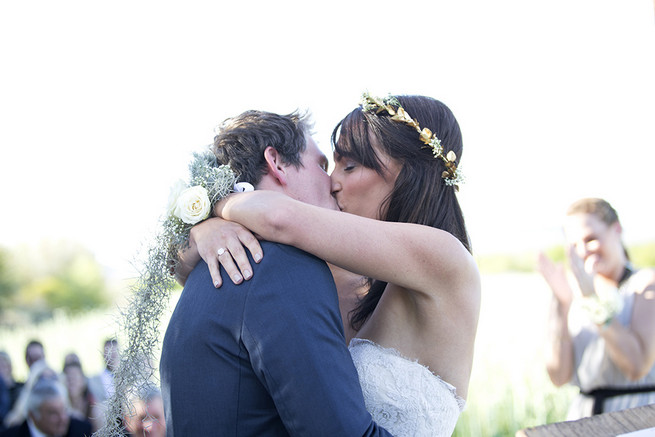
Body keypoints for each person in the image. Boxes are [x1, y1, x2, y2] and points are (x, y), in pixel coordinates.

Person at [182, 94, 481, 436]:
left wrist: (212, 209)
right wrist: (203, 236)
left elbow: (279, 217)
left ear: (406, 172)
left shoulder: (445, 255)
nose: (333, 182)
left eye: (348, 166)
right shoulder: (353, 279)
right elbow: (193, 273)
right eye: (329, 165)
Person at [160, 109, 393, 436]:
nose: (333, 182)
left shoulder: (207, 270)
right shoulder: (281, 268)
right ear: (277, 162)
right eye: (322, 165)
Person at [537, 198, 655, 418]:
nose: (583, 252)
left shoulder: (645, 284)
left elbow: (636, 366)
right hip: (586, 420)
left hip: (637, 419)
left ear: (616, 229)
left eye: (591, 239)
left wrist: (592, 299)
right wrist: (560, 306)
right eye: (574, 245)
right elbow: (559, 376)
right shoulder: (574, 291)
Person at [0, 378, 92, 437]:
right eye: (53, 413)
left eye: (64, 410)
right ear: (32, 415)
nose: (62, 418)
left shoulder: (82, 432)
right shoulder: (9, 435)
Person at [61, 362, 96, 431]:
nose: (71, 381)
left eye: (75, 377)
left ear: (83, 381)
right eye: (68, 377)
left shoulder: (93, 407)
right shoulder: (60, 408)